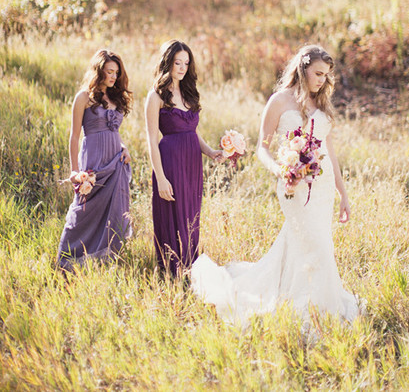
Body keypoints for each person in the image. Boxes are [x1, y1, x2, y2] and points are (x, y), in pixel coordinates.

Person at [191, 45, 360, 327]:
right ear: (303, 69)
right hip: (293, 184)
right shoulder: (279, 101)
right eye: (318, 73)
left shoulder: (321, 103)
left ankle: (310, 298)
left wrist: (342, 193)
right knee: (315, 243)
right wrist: (281, 171)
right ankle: (310, 306)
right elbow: (262, 148)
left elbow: (329, 151)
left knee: (312, 243)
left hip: (322, 186)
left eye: (326, 75)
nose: (322, 80)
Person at [145, 40, 224, 277]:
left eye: (186, 63)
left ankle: (191, 270)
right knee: (170, 216)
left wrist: (210, 152)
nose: (182, 68)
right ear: (167, 62)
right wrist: (161, 178)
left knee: (190, 217)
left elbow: (192, 132)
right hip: (169, 162)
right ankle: (171, 272)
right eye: (177, 62)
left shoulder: (189, 93)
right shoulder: (156, 96)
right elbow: (151, 140)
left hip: (192, 163)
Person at [57, 49, 132, 271]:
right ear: (99, 71)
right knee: (82, 211)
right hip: (94, 163)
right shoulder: (83, 97)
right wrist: (74, 171)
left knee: (113, 212)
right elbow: (74, 136)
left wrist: (124, 148)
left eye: (116, 73)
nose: (113, 76)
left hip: (116, 163)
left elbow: (114, 131)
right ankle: (67, 261)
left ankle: (105, 263)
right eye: (109, 71)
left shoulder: (115, 98)